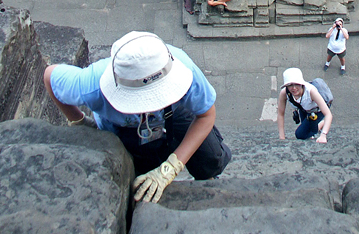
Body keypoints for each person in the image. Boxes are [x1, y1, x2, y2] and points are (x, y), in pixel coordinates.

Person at [43, 31, 231, 203]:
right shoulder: (92, 85)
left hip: (175, 112)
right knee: (143, 177)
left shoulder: (183, 67)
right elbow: (50, 77)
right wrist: (81, 122)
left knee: (209, 156)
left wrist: (173, 166)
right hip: (125, 129)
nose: (150, 105)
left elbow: (206, 116)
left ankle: (207, 181)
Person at [277, 68, 332, 144]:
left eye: (297, 84)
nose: (294, 88)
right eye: (290, 85)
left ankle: (319, 125)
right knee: (306, 129)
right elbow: (280, 114)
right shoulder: (285, 93)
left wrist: (323, 135)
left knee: (300, 134)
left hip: (317, 110)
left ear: (301, 83)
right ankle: (312, 128)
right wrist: (282, 137)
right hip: (303, 108)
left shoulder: (311, 92)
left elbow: (328, 114)